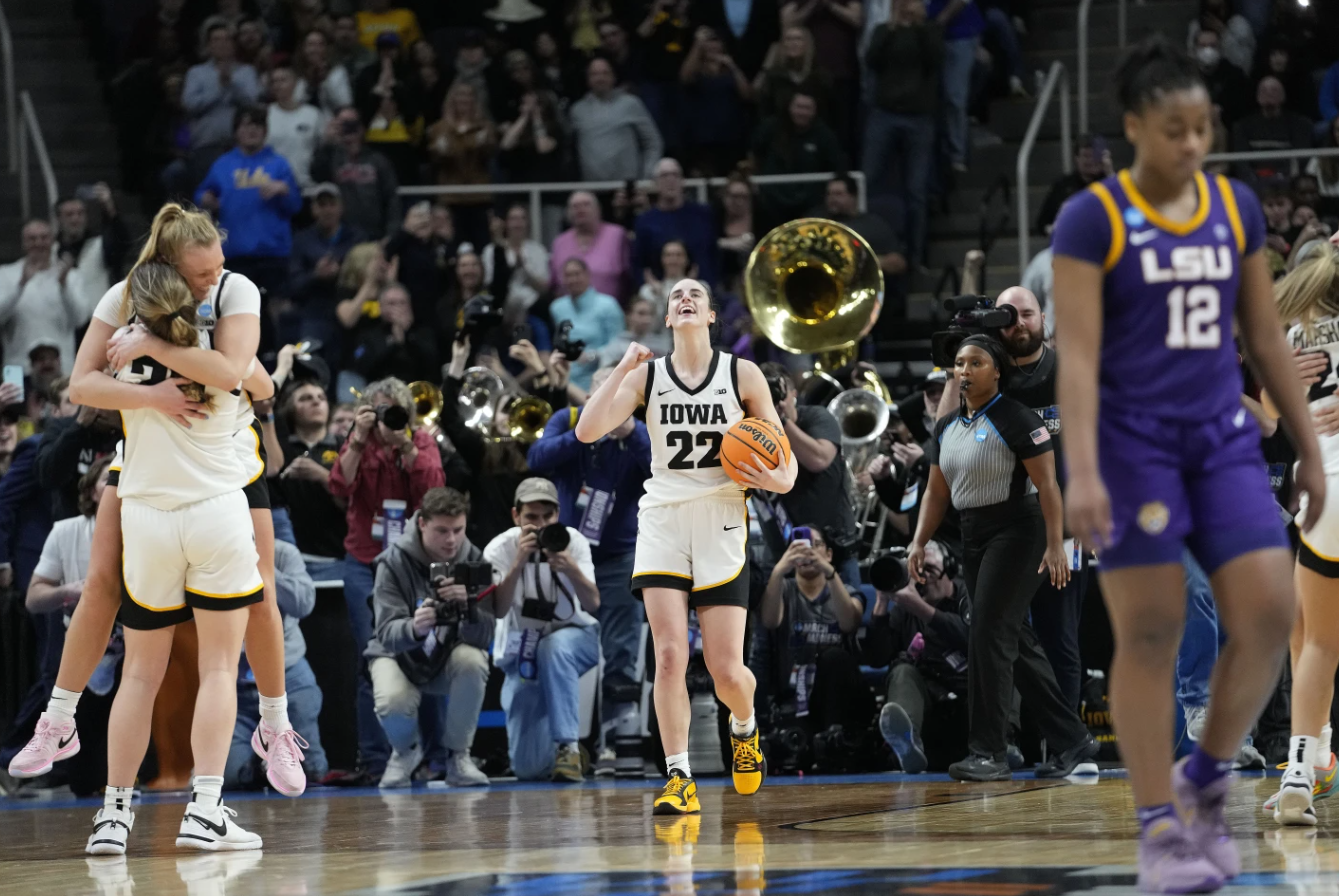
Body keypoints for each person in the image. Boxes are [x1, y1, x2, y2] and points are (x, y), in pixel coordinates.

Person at [1052, 37, 1325, 893]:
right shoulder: (1090, 219)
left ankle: (1201, 782)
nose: (1193, 144)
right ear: (1134, 127)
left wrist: (1309, 445)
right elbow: (1079, 358)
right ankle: (1156, 829)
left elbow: (1265, 335)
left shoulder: (1234, 205)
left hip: (1221, 441)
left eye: (1203, 127)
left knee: (1271, 611)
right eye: (1175, 129)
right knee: (1150, 629)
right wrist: (1084, 470)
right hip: (1133, 447)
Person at [7, 206, 305, 802]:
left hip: (226, 466)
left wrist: (156, 351)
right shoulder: (123, 297)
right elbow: (82, 386)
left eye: (217, 266)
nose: (212, 279)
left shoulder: (234, 289)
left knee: (263, 596)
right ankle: (58, 720)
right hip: (146, 463)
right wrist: (156, 398)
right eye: (200, 273)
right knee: (99, 585)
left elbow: (238, 374)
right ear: (168, 266)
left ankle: (275, 726)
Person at [575, 277, 798, 815]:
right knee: (670, 656)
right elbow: (587, 429)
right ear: (669, 319)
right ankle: (680, 778)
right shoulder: (648, 377)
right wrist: (625, 366)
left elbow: (787, 472)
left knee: (726, 670)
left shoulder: (742, 374)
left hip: (722, 515)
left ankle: (743, 728)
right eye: (676, 297)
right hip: (663, 520)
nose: (685, 299)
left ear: (711, 316)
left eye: (695, 293)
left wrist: (762, 474)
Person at [84, 261, 264, 854]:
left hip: (145, 514)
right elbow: (258, 384)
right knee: (218, 667)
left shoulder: (124, 348)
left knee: (140, 671)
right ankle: (205, 809)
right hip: (213, 509)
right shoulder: (218, 353)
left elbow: (81, 387)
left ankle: (113, 816)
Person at [909, 335, 1096, 783]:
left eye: (976, 362)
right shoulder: (948, 426)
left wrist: (1056, 545)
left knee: (988, 632)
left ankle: (988, 751)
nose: (965, 371)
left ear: (997, 371)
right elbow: (937, 491)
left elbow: (1049, 488)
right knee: (1011, 637)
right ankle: (1073, 740)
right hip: (973, 533)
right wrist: (919, 542)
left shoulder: (1019, 418)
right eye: (959, 363)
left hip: (1021, 529)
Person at [527, 367, 653, 776]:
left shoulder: (640, 424)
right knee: (557, 643)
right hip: (568, 555)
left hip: (619, 558)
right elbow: (536, 459)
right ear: (590, 396)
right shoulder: (568, 419)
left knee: (620, 653)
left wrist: (629, 430)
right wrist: (586, 429)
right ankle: (564, 744)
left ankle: (615, 744)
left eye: (618, 395)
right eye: (603, 393)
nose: (610, 401)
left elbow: (661, 466)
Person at [327, 376, 444, 781]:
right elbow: (338, 484)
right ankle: (377, 759)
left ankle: (433, 759)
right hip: (364, 561)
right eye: (379, 411)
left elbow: (435, 493)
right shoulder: (358, 442)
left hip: (413, 565)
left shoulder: (421, 441)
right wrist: (358, 439)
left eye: (395, 411)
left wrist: (407, 446)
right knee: (372, 658)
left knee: (424, 656)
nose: (387, 419)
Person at [1265, 243, 1339, 824]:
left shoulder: (1292, 332)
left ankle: (1302, 769)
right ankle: (1311, 762)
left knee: (1313, 638)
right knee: (1308, 634)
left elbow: (1269, 409)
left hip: (1322, 486)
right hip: (1322, 478)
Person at [368, 487, 494, 788]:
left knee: (474, 661)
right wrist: (414, 627)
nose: (451, 540)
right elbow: (384, 633)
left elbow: (485, 636)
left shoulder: (475, 559)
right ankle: (405, 752)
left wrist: (470, 605)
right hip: (396, 653)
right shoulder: (393, 561)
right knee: (392, 700)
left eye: (458, 530)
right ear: (421, 523)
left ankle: (458, 757)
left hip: (448, 653)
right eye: (441, 530)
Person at [485, 478, 601, 782]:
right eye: (531, 518)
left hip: (576, 639)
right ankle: (559, 753)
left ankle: (569, 748)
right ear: (516, 516)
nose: (540, 525)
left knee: (554, 647)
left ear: (558, 514)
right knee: (528, 769)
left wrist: (570, 568)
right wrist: (519, 563)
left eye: (547, 517)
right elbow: (497, 609)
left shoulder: (572, 541)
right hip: (522, 651)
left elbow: (592, 604)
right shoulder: (499, 548)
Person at [24, 457, 120, 797]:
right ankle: (57, 732)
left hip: (131, 645)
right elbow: (34, 598)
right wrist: (69, 591)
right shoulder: (66, 531)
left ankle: (123, 789)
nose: (119, 488)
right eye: (111, 480)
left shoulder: (150, 531)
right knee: (83, 779)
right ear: (92, 491)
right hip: (79, 639)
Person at [225, 535, 327, 789]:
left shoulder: (284, 553)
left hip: (289, 672)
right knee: (231, 777)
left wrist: (263, 567)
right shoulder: (214, 550)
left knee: (314, 771)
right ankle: (262, 765)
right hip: (235, 681)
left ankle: (277, 760)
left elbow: (304, 604)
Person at [196, 105, 303, 343]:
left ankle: (284, 358)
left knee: (279, 309)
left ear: (265, 131)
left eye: (258, 125)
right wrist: (206, 199)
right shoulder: (223, 165)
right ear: (237, 131)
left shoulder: (279, 164)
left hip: (273, 253)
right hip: (235, 253)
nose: (253, 130)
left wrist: (283, 189)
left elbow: (296, 206)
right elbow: (201, 194)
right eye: (247, 125)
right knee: (236, 312)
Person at [866, 540, 969, 773]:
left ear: (950, 567)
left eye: (930, 569)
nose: (924, 577)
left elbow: (972, 637)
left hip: (971, 698)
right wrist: (882, 601)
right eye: (916, 571)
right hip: (929, 702)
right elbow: (877, 658)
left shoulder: (967, 592)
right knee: (901, 671)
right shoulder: (904, 607)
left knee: (1004, 665)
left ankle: (1004, 741)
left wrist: (921, 608)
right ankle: (907, 742)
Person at [758, 526, 870, 740]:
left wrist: (829, 572)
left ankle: (835, 733)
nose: (807, 550)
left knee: (834, 657)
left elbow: (849, 623)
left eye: (815, 544)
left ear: (828, 554)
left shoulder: (845, 589)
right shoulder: (782, 589)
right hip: (795, 699)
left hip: (842, 698)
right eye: (799, 545)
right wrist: (779, 570)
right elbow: (769, 621)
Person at [760, 364, 860, 586]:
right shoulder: (751, 430)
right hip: (782, 552)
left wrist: (781, 422)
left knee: (846, 619)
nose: (774, 400)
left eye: (778, 393)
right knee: (775, 620)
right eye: (763, 394)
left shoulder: (818, 417)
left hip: (833, 550)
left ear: (793, 394)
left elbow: (819, 459)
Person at [862, 0, 940, 271]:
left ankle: (916, 257)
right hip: (885, 113)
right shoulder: (884, 30)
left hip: (919, 117)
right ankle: (865, 250)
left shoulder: (929, 31)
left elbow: (934, 59)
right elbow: (871, 60)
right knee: (867, 183)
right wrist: (893, 29)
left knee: (916, 191)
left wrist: (917, 27)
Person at [0, 219, 84, 373]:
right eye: (32, 239)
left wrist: (64, 286)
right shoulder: (5, 273)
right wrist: (20, 285)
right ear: (24, 243)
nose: (38, 243)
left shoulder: (72, 276)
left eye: (44, 238)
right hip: (16, 369)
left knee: (62, 397)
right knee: (13, 398)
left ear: (52, 241)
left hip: (62, 368)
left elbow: (80, 320)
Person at [288, 183, 366, 350]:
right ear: (313, 209)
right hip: (315, 309)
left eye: (332, 204)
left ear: (341, 207)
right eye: (322, 205)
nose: (327, 210)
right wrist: (316, 275)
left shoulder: (357, 238)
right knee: (307, 353)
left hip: (351, 306)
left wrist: (342, 272)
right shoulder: (302, 240)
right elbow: (293, 285)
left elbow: (364, 276)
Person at [183, 20, 260, 173]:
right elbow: (190, 105)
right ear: (208, 45)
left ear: (234, 44)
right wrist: (219, 89)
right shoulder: (196, 73)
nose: (222, 44)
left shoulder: (247, 72)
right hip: (206, 147)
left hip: (240, 147)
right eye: (216, 39)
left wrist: (232, 85)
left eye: (227, 39)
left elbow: (252, 104)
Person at [569, 57, 663, 183]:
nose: (600, 78)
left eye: (605, 73)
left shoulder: (630, 103)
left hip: (627, 188)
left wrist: (646, 177)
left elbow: (653, 142)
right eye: (594, 74)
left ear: (613, 77)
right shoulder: (577, 110)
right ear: (588, 79)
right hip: (593, 190)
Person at [310, 108, 400, 239]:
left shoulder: (377, 160)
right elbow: (316, 176)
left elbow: (392, 198)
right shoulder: (330, 157)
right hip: (340, 236)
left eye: (352, 124)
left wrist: (391, 233)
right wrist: (328, 144)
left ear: (361, 127)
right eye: (343, 124)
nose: (348, 129)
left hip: (375, 233)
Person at [635, 158, 720, 292]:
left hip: (702, 293)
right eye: (664, 176)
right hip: (660, 296)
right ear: (655, 183)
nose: (670, 180)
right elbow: (639, 264)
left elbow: (714, 256)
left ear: (683, 181)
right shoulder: (645, 221)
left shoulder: (703, 215)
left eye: (675, 175)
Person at [53, 186, 131, 320]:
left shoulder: (99, 245)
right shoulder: (51, 251)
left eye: (80, 213)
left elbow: (122, 242)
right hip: (63, 326)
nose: (75, 219)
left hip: (98, 323)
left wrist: (109, 209)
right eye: (69, 214)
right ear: (58, 219)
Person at [550, 259, 625, 391]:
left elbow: (618, 345)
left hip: (599, 376)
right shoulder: (557, 307)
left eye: (577, 274)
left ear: (587, 275)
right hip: (566, 376)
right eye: (568, 275)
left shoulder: (608, 305)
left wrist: (592, 355)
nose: (573, 280)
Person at [550, 191, 628, 302]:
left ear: (598, 210)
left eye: (586, 204)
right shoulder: (559, 242)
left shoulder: (617, 235)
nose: (580, 209)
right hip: (569, 313)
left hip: (610, 312)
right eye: (574, 206)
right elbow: (554, 285)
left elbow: (628, 277)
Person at [1035, 135, 1115, 237]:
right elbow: (1043, 223)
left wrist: (1109, 170)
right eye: (1086, 156)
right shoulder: (1062, 185)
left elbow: (1124, 209)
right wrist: (1055, 231)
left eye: (1093, 156)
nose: (1090, 161)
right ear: (1076, 158)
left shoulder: (1110, 182)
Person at [266, 66, 325, 189]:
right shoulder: (265, 114)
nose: (277, 85)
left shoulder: (313, 114)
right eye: (274, 81)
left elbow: (322, 147)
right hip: (272, 184)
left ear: (295, 83)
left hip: (305, 184)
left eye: (282, 80)